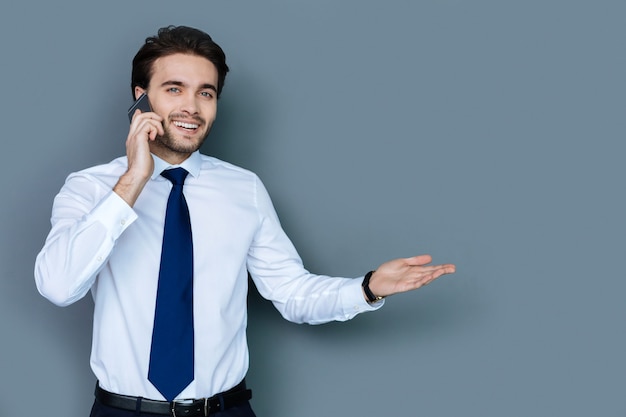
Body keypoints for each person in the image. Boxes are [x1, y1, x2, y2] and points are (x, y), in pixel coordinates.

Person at [34, 25, 456, 417]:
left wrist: (366, 288)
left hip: (225, 410)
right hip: (124, 412)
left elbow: (290, 291)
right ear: (141, 98)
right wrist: (133, 180)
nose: (191, 107)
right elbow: (57, 286)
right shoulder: (91, 188)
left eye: (206, 93)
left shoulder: (244, 189)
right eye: (174, 89)